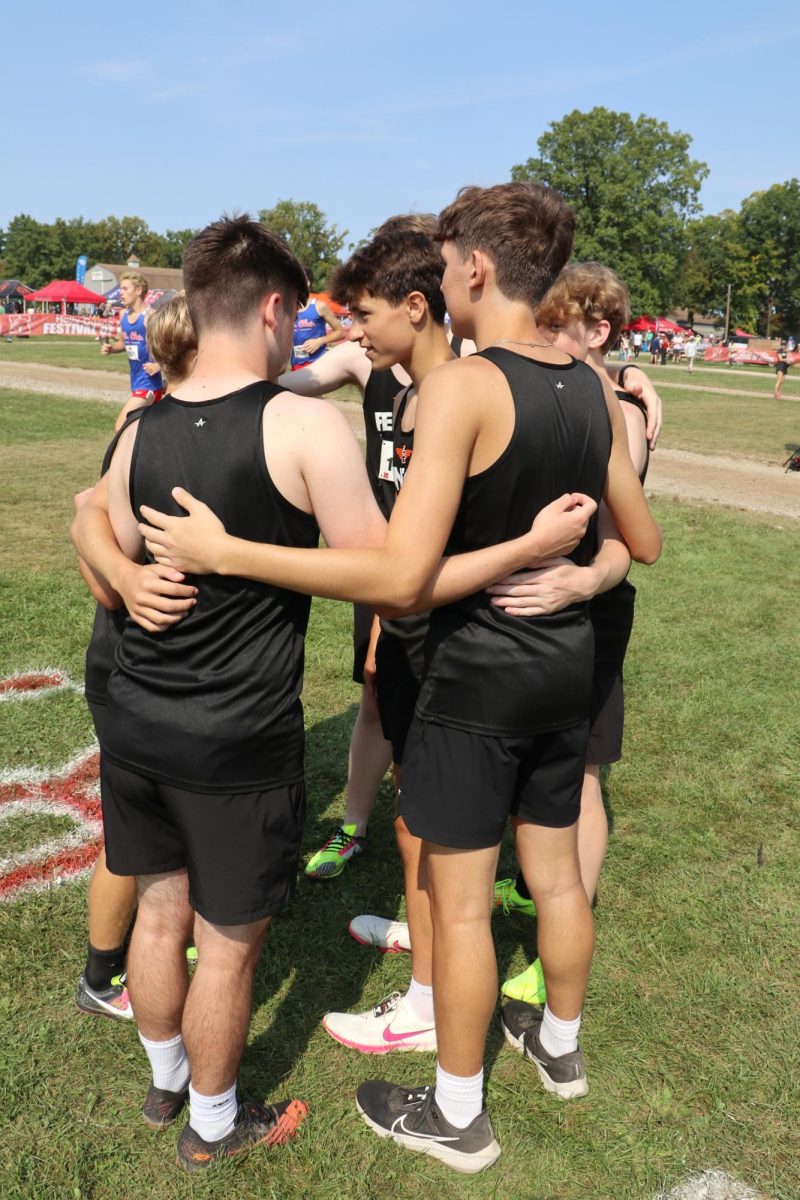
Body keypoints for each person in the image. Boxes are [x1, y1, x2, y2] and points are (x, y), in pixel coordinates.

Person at [137, 183, 662, 1174]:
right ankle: (558, 1046)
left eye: (448, 250)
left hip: (472, 681)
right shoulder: (592, 385)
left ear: (471, 269)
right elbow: (637, 539)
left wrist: (231, 551)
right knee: (551, 877)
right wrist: (577, 571)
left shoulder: (462, 388)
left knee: (461, 909)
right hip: (565, 672)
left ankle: (456, 1116)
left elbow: (400, 578)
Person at [492, 262, 651, 1004]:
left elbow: (628, 534)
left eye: (565, 324)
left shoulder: (610, 407)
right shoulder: (571, 388)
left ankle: (564, 939)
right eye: (545, 321)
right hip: (541, 610)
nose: (549, 334)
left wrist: (585, 580)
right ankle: (536, 897)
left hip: (590, 606)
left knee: (582, 775)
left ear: (600, 330)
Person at [74, 295, 200, 1023]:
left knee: (154, 830)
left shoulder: (174, 425)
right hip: (127, 663)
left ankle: (148, 946)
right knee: (133, 835)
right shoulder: (143, 431)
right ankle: (100, 975)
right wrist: (126, 585)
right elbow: (94, 545)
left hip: (153, 669)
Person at [101, 272, 165, 432]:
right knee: (149, 428)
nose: (120, 293)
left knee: (120, 427)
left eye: (124, 288)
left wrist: (159, 365)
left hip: (150, 384)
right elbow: (123, 342)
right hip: (136, 382)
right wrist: (112, 348)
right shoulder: (123, 315)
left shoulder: (150, 316)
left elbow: (170, 346)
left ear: (138, 290)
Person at [290, 269, 345, 369]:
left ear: (307, 283)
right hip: (296, 364)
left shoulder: (319, 306)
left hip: (318, 363)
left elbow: (340, 332)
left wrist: (319, 341)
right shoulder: (288, 308)